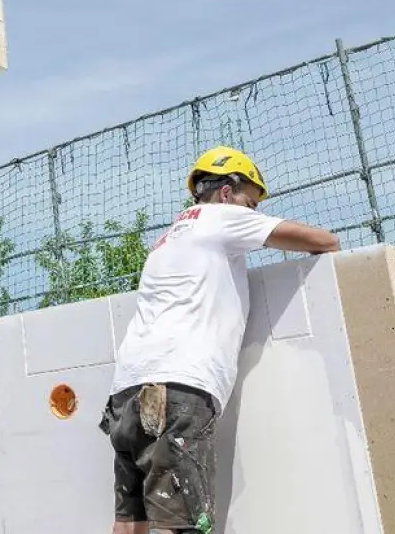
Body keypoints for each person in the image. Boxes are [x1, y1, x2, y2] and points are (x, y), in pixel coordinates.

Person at [101, 147, 339, 534]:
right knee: (186, 524)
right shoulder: (220, 218)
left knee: (130, 522)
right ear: (227, 193)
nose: (254, 213)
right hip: (178, 387)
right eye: (251, 202)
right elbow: (324, 242)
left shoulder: (167, 238)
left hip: (125, 392)